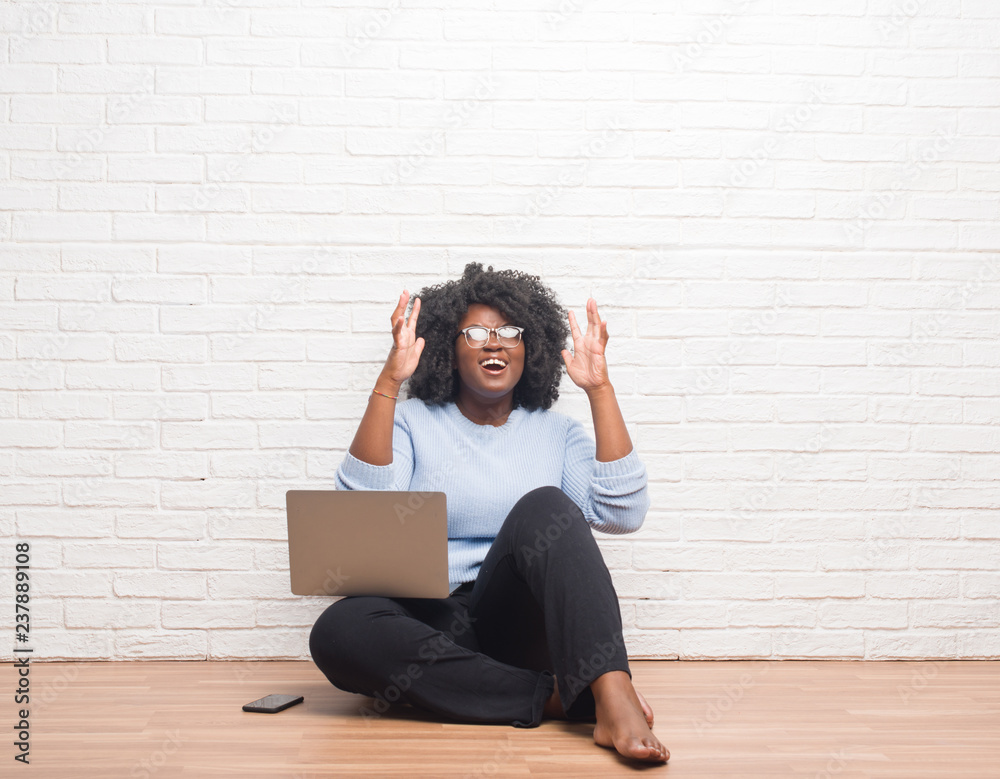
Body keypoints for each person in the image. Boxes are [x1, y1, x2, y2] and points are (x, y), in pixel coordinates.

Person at [309, 263, 668, 763]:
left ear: (529, 348)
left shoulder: (555, 434)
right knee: (338, 629)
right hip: (431, 618)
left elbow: (622, 513)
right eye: (475, 333)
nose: (494, 343)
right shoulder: (413, 421)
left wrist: (600, 390)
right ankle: (559, 698)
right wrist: (390, 382)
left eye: (509, 333)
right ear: (450, 350)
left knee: (544, 505)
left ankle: (612, 693)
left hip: (514, 620)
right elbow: (361, 509)